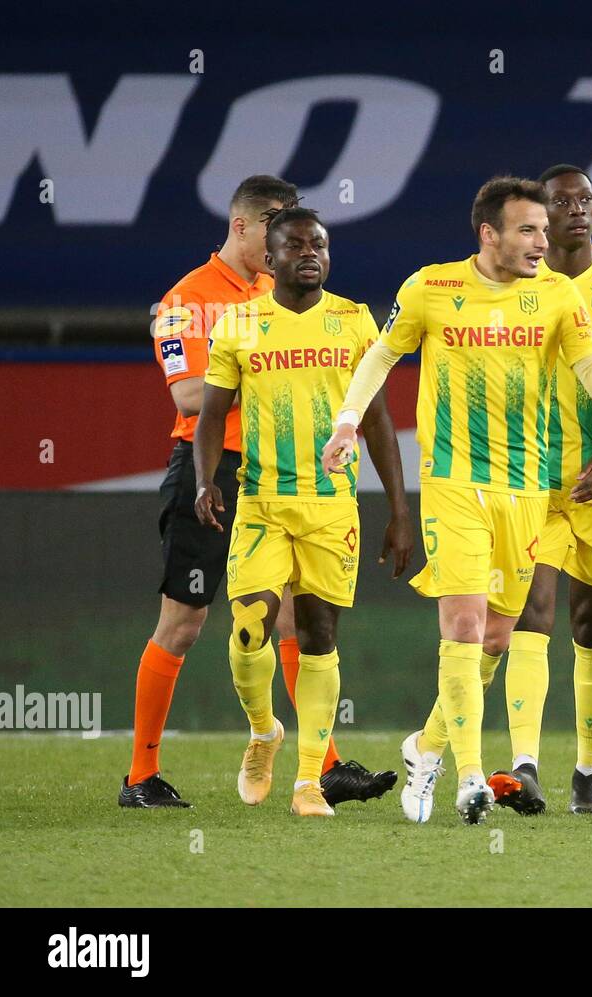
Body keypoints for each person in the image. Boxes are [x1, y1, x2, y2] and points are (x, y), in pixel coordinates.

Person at [322, 177, 592, 825]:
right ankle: (470, 777)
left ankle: (425, 746)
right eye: (528, 230)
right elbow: (382, 355)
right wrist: (348, 420)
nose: (542, 242)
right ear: (487, 234)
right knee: (463, 624)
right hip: (452, 482)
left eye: (544, 232)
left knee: (496, 637)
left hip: (526, 489)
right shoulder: (430, 288)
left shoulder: (556, 295)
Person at [121, 176, 397, 808]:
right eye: (276, 219)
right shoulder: (185, 302)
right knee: (185, 621)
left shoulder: (290, 296)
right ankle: (141, 775)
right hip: (214, 469)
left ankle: (320, 768)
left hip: (295, 472)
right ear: (243, 225)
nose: (289, 233)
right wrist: (279, 373)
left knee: (303, 616)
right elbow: (188, 395)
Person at [194, 207, 412, 816]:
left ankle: (309, 782)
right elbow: (212, 414)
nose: (309, 253)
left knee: (319, 640)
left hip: (331, 508)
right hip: (261, 502)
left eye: (319, 244)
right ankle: (264, 732)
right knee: (247, 630)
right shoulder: (238, 324)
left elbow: (377, 420)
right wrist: (203, 480)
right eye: (295, 245)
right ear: (270, 258)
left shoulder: (354, 321)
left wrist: (399, 509)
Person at [491, 164, 592, 816]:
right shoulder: (512, 284)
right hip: (534, 479)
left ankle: (587, 769)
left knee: (591, 625)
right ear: (540, 213)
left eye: (586, 199)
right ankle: (526, 764)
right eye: (564, 202)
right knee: (532, 611)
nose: (578, 210)